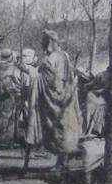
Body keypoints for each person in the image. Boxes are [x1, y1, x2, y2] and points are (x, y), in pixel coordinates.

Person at [32, 30, 81, 170]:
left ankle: (63, 162)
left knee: (60, 128)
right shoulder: (64, 55)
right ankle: (61, 161)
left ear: (49, 42)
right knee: (63, 128)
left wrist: (35, 76)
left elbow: (51, 79)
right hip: (66, 95)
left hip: (56, 98)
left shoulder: (53, 57)